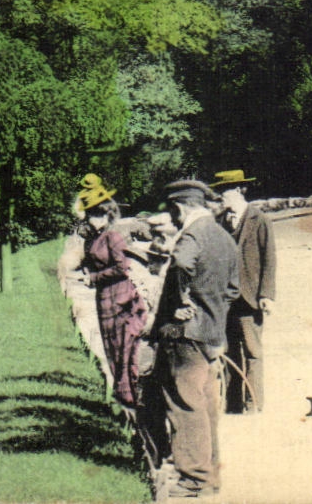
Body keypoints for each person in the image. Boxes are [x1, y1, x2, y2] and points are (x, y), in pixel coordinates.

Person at [151, 179, 241, 499]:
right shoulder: (223, 236)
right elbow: (233, 289)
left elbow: (180, 263)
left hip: (185, 334)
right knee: (205, 404)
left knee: (184, 403)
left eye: (173, 213)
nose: (173, 219)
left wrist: (180, 304)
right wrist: (212, 311)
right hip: (213, 333)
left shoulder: (191, 235)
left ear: (180, 207)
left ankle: (192, 479)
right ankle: (211, 474)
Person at [75, 175, 169, 475]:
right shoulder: (93, 236)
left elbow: (121, 268)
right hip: (104, 301)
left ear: (107, 212)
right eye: (90, 214)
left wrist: (93, 278)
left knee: (126, 353)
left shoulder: (113, 236)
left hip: (119, 298)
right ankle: (127, 409)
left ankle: (135, 412)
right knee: (113, 353)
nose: (93, 219)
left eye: (97, 213)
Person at [210, 169, 274, 413]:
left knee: (253, 351)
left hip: (250, 298)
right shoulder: (220, 222)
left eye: (223, 192)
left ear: (238, 190)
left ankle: (254, 404)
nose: (220, 198)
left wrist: (266, 294)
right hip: (226, 300)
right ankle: (233, 404)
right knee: (229, 351)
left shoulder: (260, 220)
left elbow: (270, 259)